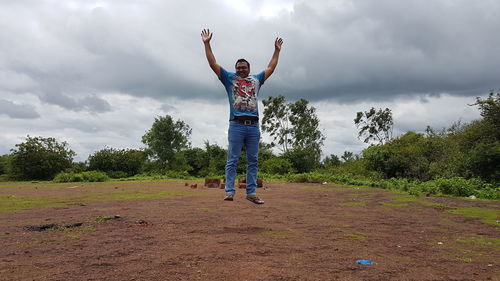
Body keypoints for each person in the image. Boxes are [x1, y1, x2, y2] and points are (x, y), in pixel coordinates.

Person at [201, 29, 283, 204]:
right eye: (238, 67)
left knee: (253, 161)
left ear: (249, 69)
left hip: (253, 126)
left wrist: (276, 51)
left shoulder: (256, 80)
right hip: (236, 125)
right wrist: (207, 43)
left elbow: (271, 67)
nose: (241, 69)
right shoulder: (229, 79)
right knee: (232, 160)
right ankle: (229, 192)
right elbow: (212, 63)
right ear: (235, 69)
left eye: (244, 67)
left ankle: (251, 193)